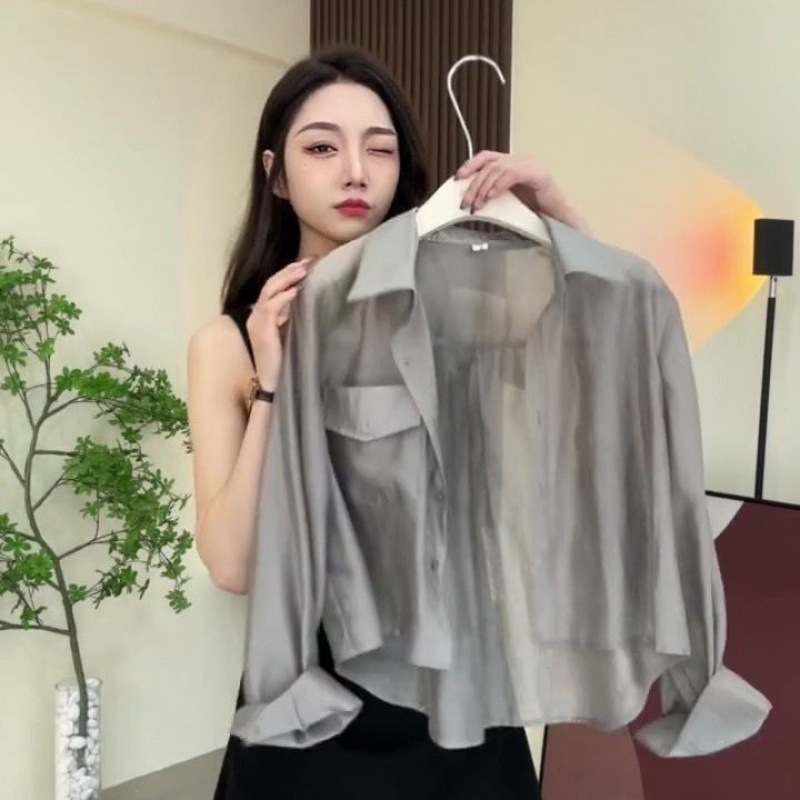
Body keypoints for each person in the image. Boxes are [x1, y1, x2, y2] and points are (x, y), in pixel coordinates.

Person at [187, 45, 589, 800]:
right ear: (276, 173)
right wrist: (274, 383)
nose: (354, 172)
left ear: (402, 171)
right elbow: (233, 566)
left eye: (379, 149)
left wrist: (557, 211)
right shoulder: (228, 344)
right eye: (321, 148)